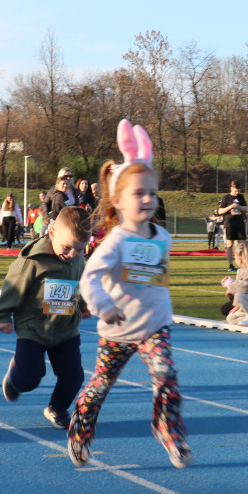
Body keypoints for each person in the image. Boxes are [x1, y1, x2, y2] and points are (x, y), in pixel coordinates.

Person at [68, 119, 191, 469]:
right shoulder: (117, 240)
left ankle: (169, 432)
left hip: (154, 326)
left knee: (166, 373)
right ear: (118, 201)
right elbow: (91, 277)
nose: (148, 200)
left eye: (152, 193)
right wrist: (104, 305)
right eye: (139, 194)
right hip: (117, 329)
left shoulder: (162, 238)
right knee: (101, 385)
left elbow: (154, 279)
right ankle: (80, 431)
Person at [0, 206, 91, 429]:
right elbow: (12, 287)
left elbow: (80, 281)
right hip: (33, 328)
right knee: (29, 380)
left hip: (65, 329)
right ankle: (15, 374)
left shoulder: (77, 258)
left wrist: (83, 305)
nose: (72, 254)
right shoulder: (33, 260)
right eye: (67, 248)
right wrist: (3, 315)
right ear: (52, 232)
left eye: (79, 249)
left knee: (74, 376)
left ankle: (57, 408)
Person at [216, 181, 248, 271]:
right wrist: (230, 207)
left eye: (238, 190)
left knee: (242, 245)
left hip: (240, 223)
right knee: (229, 244)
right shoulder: (226, 197)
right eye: (235, 190)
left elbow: (246, 209)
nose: (237, 192)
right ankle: (231, 265)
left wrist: (239, 207)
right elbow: (220, 211)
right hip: (229, 223)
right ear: (231, 188)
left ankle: (242, 265)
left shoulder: (241, 197)